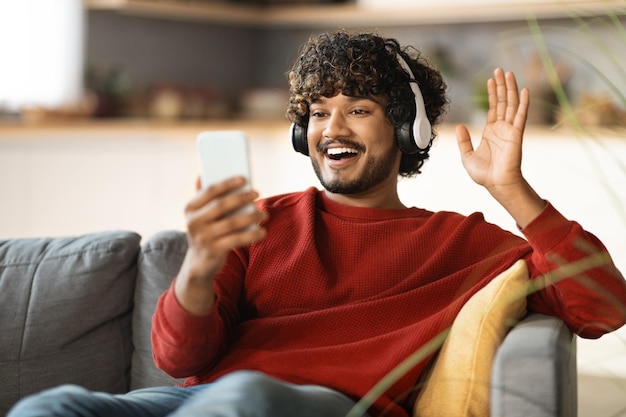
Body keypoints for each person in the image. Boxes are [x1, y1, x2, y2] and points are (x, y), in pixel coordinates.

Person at [8, 30, 626, 417]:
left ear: (409, 129)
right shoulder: (262, 221)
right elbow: (178, 357)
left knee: (241, 399)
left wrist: (512, 191)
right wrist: (198, 264)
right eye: (318, 112)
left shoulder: (462, 244)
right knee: (53, 406)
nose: (333, 128)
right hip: (193, 401)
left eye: (358, 110)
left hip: (315, 407)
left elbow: (603, 307)